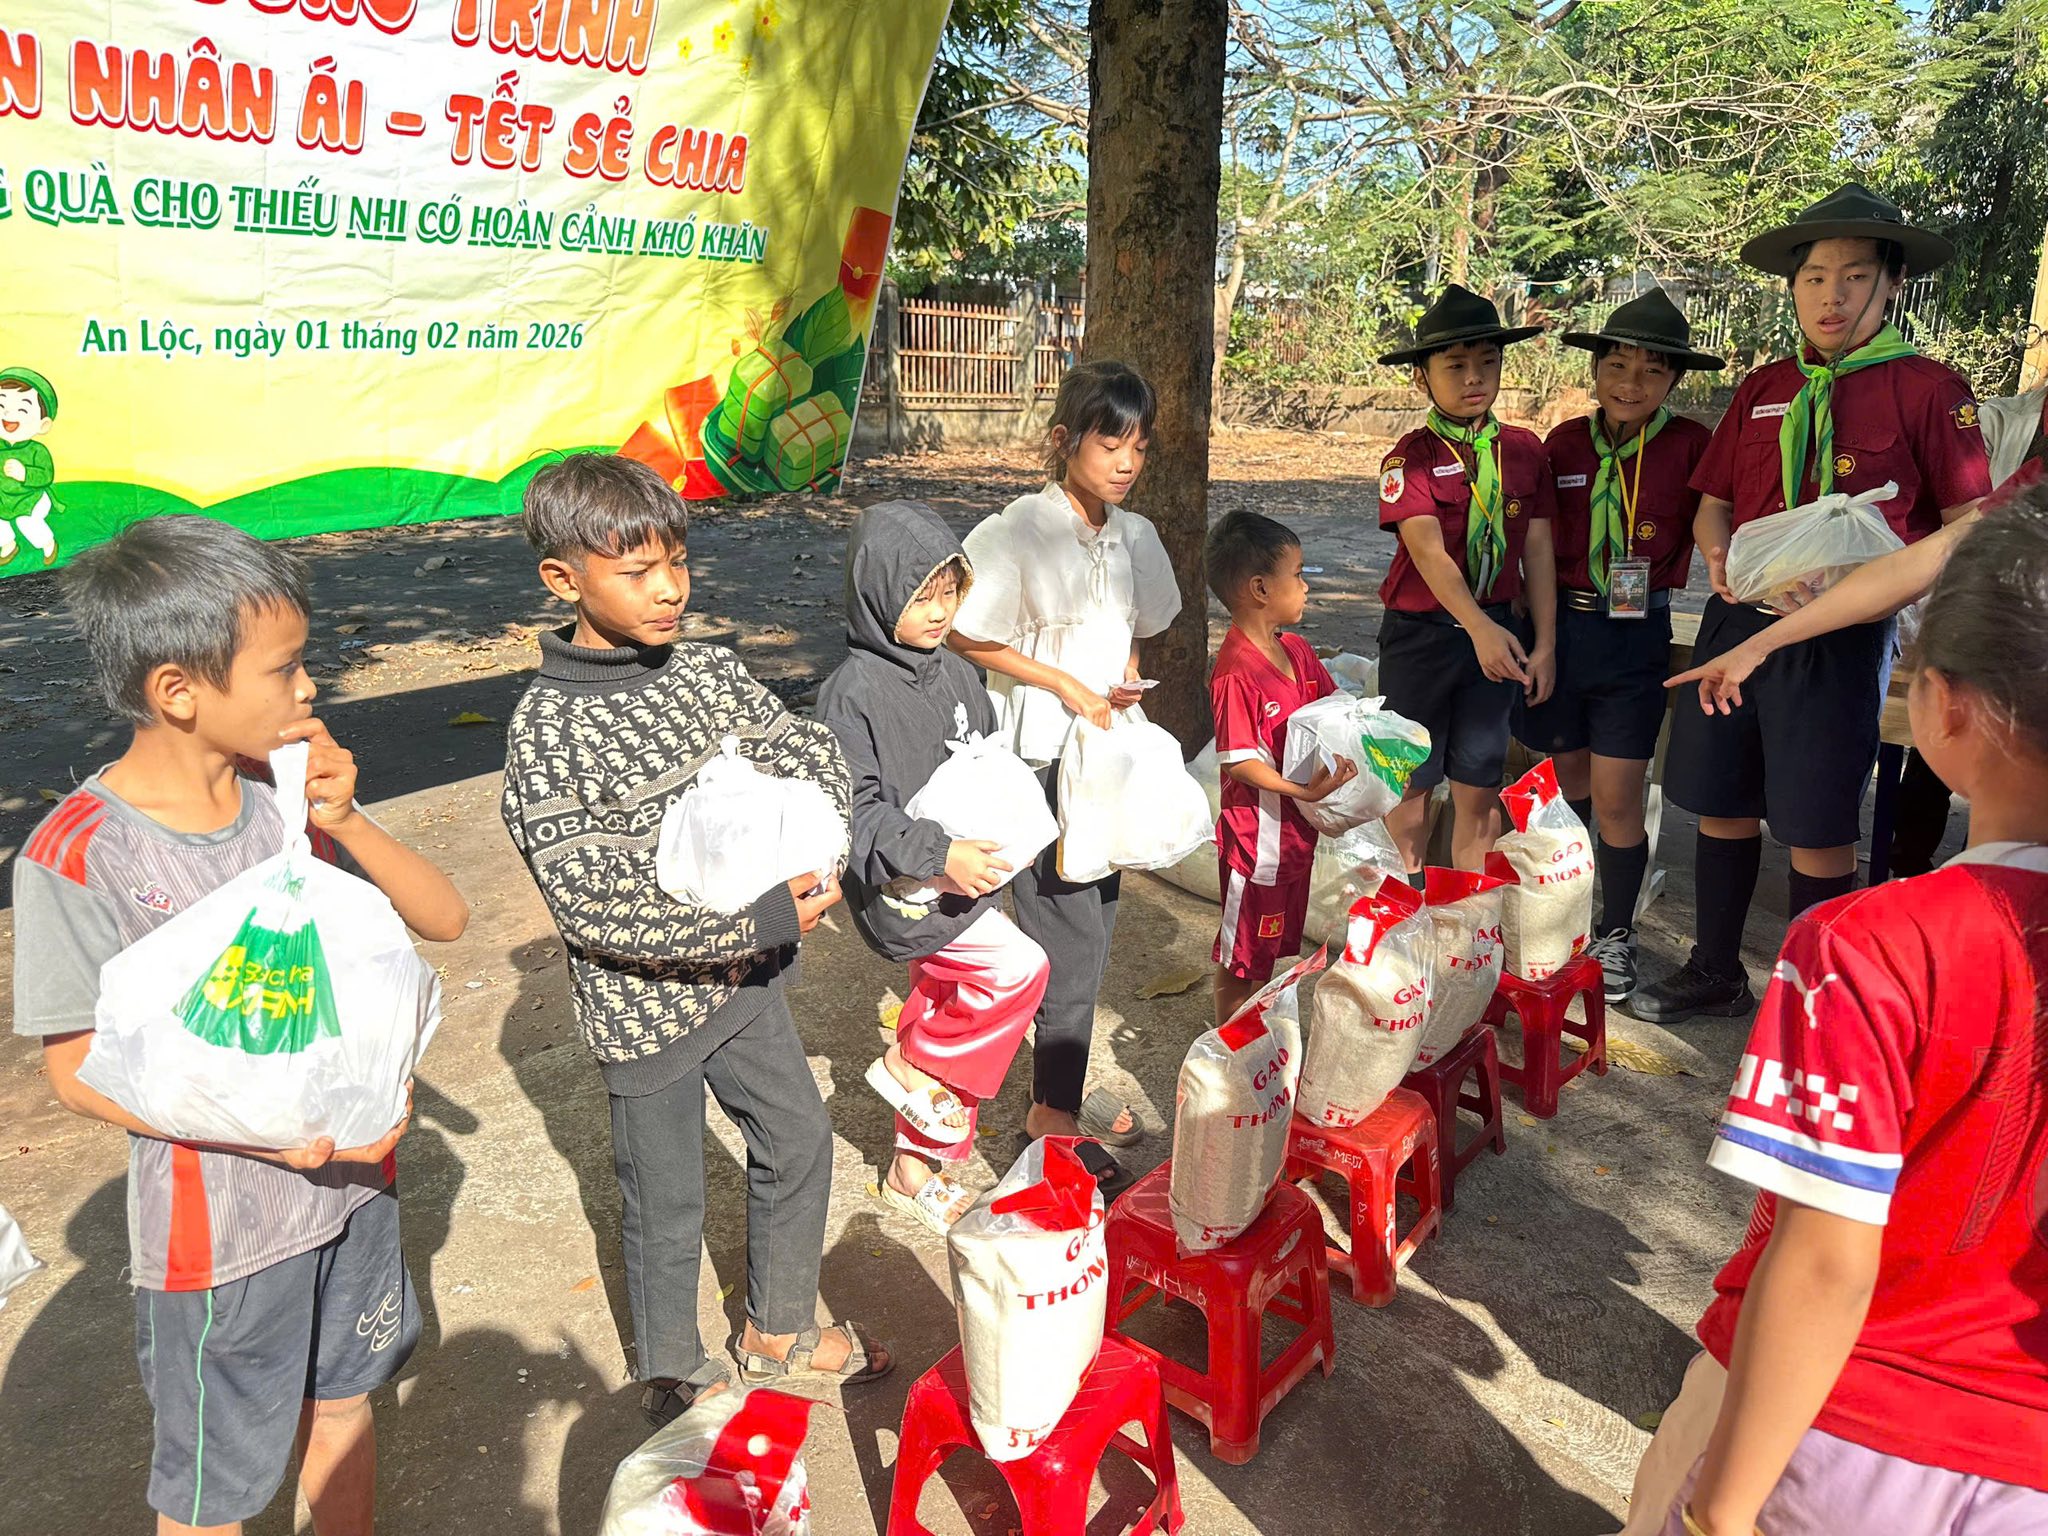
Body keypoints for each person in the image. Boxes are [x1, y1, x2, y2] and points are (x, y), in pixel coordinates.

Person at [11, 515, 470, 1536]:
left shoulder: (285, 801)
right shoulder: (79, 855)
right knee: (215, 1486)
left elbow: (443, 920)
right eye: (285, 668)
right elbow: (77, 1074)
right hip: (221, 1236)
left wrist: (344, 819)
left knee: (342, 1405)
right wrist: (264, 1138)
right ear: (179, 690)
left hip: (353, 1193)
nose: (308, 689)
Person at [1620, 493, 2048, 1536]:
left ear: (1941, 706)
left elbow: (1823, 1265)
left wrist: (1720, 1514)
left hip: (1850, 1439)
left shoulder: (1866, 947)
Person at [499, 453, 889, 1428]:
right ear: (563, 579)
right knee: (665, 1200)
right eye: (637, 571)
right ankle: (672, 1367)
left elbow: (800, 746)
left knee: (797, 1137)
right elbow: (594, 906)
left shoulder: (707, 672)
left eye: (677, 561)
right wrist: (761, 917)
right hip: (645, 1014)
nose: (670, 588)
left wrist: (821, 843)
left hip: (744, 985)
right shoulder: (546, 735)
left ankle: (778, 1329)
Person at [1633, 184, 1992, 1023]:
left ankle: (1809, 1002)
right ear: (1793, 287)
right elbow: (1714, 503)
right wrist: (1721, 557)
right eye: (1815, 277)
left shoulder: (1928, 390)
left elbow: (1970, 525)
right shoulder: (1764, 385)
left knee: (1818, 824)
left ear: (1892, 284)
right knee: (1723, 802)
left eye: (1855, 276)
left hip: (1840, 641)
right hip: (1740, 620)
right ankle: (1715, 970)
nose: (1832, 296)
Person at [948, 359, 1181, 1190]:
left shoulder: (1135, 536)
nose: (1126, 462)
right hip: (1032, 757)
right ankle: (1036, 1116)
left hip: (1099, 758)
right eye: (1110, 443)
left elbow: (1138, 623)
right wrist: (1061, 683)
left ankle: (1053, 1095)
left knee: (1088, 929)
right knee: (1054, 936)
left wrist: (1121, 677)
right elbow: (961, 630)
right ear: (1064, 440)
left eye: (1139, 447)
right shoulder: (1016, 530)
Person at [815, 500, 1050, 1233]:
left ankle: (913, 1170)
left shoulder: (955, 672)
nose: (940, 612)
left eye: (950, 593)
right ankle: (909, 1064)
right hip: (908, 889)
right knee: (1016, 972)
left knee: (949, 1014)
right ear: (878, 595)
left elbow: (986, 754)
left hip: (966, 878)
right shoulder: (849, 695)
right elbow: (852, 812)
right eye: (921, 597)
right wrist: (938, 853)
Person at [1516, 288, 1723, 1000]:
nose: (1631, 384)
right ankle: (1569, 919)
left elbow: (1717, 519)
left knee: (1617, 800)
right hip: (1564, 630)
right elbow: (1537, 541)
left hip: (1636, 635)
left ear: (1673, 381)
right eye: (1618, 366)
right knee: (1569, 782)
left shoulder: (1690, 445)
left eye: (1652, 371)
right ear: (1595, 370)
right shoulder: (1564, 444)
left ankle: (1616, 934)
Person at [1373, 283, 1558, 873]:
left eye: (1488, 362)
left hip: (1499, 634)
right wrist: (1478, 628)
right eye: (1455, 365)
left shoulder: (1525, 451)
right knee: (1410, 783)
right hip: (1421, 638)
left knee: (1479, 783)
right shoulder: (1409, 458)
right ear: (1422, 377)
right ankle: (1405, 905)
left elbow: (1539, 551)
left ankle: (1466, 916)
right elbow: (1428, 553)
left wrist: (1546, 645)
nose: (1474, 377)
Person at [1203, 510, 1356, 1025]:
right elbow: (1241, 761)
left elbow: (1336, 712)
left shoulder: (1298, 650)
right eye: (1298, 573)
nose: (1306, 585)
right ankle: (1231, 1045)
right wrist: (1302, 791)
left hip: (1296, 838)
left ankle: (1256, 1031)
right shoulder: (1235, 672)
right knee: (1242, 956)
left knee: (1268, 949)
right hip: (1257, 846)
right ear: (1260, 588)